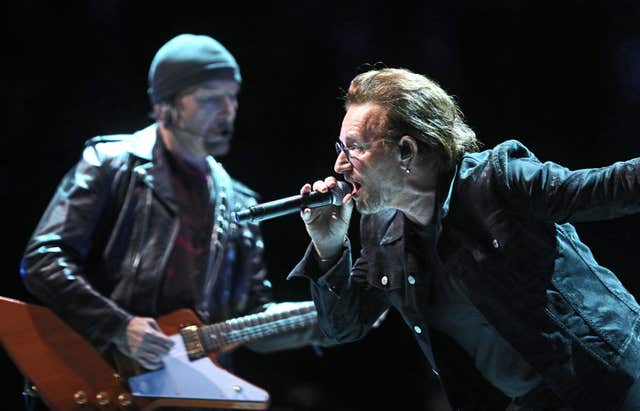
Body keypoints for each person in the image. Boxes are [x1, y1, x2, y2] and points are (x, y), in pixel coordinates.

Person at [289, 67, 640, 411]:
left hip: (610, 376)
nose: (339, 165)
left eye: (354, 148)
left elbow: (606, 187)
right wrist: (329, 246)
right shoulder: (382, 232)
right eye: (341, 147)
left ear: (406, 151)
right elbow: (343, 327)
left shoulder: (495, 180)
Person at [19, 33, 329, 405]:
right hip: (100, 379)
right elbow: (43, 260)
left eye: (232, 96)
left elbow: (252, 320)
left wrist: (334, 315)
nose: (228, 109)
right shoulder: (111, 164)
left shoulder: (240, 201)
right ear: (166, 105)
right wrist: (118, 326)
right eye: (210, 98)